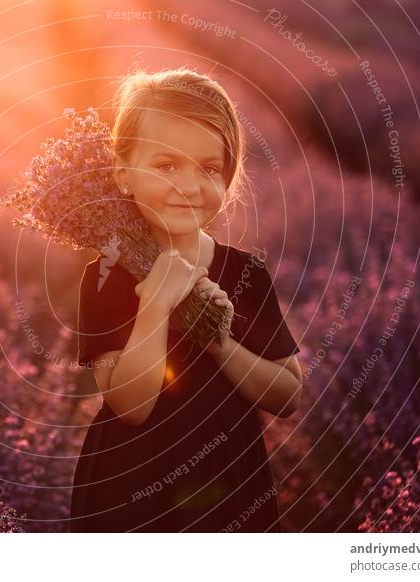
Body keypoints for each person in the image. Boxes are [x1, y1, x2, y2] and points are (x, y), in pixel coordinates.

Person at [69, 67, 303, 532]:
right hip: (129, 483)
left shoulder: (246, 275)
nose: (189, 185)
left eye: (209, 168)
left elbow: (289, 395)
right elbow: (130, 406)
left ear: (228, 180)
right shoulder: (107, 274)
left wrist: (219, 340)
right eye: (165, 165)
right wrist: (155, 305)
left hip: (231, 477)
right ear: (123, 175)